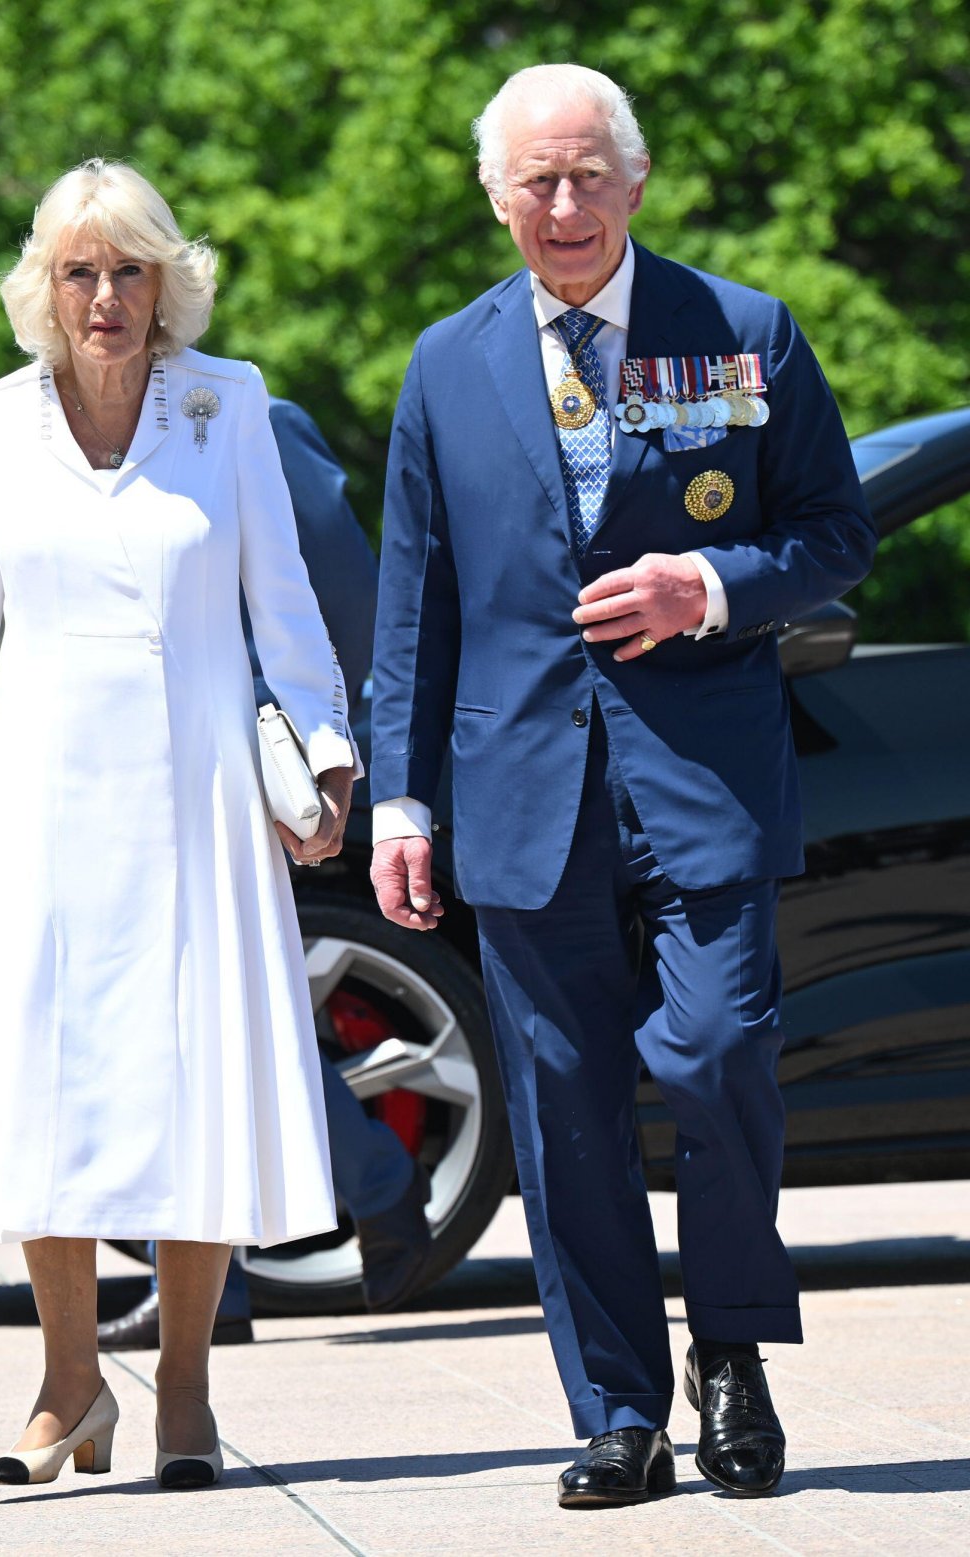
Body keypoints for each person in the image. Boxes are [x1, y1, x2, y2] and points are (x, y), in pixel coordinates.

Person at [370, 64, 876, 1508]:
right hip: (521, 792)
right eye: (537, 179)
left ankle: (733, 1353)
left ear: (636, 180)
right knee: (565, 1109)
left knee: (718, 1053)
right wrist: (402, 801)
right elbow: (415, 606)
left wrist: (705, 585)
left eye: (589, 173)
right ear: (496, 197)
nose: (566, 203)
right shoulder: (445, 366)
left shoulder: (744, 333)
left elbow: (834, 533)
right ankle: (618, 1412)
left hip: (705, 781)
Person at [0, 158, 361, 1492]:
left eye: (129, 271)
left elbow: (284, 599)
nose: (104, 296)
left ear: (167, 284)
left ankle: (187, 1391)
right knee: (43, 1086)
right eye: (79, 272)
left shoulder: (229, 403)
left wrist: (327, 752)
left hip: (197, 799)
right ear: (45, 289)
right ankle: (69, 1385)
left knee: (195, 1081)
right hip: (41, 802)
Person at [97, 397, 430, 1352]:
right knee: (176, 1018)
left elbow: (350, 602)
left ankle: (362, 1196)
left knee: (223, 1014)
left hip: (246, 772)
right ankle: (221, 1278)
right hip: (132, 771)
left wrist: (324, 751)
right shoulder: (87, 443)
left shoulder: (257, 419)